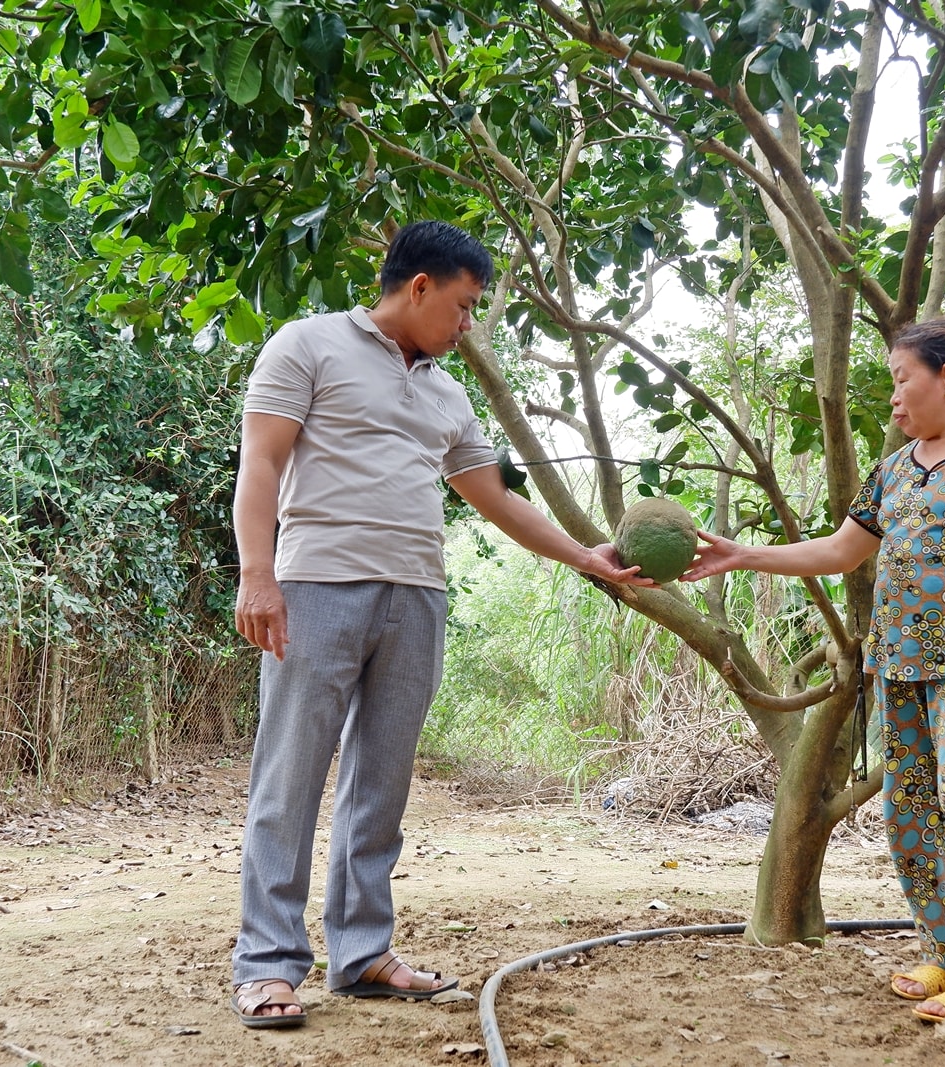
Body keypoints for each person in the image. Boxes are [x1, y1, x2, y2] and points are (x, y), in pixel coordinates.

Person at [229, 220, 652, 1028]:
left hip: (416, 597)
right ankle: (267, 964)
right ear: (418, 286)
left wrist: (586, 558)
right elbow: (263, 461)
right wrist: (258, 573)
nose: (467, 327)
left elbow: (495, 499)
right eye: (462, 308)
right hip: (316, 584)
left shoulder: (446, 393)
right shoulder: (308, 345)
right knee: (289, 777)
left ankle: (360, 953)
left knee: (381, 781)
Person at [682, 318, 945, 1024]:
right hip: (901, 670)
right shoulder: (895, 468)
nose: (893, 398)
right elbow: (839, 551)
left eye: (900, 379)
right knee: (909, 817)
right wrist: (741, 553)